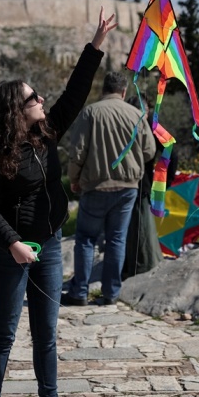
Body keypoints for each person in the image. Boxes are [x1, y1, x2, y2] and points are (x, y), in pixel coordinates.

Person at [0, 7, 117, 397]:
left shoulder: (46, 134)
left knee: (46, 335)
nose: (41, 100)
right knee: (4, 335)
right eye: (33, 98)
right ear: (15, 110)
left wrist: (95, 46)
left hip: (49, 246)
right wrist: (13, 243)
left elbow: (75, 93)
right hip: (10, 252)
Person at [62, 72, 156, 306]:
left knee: (86, 239)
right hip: (127, 188)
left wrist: (74, 179)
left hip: (96, 185)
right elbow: (149, 151)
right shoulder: (136, 114)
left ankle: (79, 292)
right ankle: (111, 292)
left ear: (103, 89)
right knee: (117, 239)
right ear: (124, 91)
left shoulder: (90, 113)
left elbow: (77, 152)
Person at [122, 94, 177, 280]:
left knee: (137, 230)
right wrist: (164, 182)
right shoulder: (151, 125)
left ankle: (137, 269)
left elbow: (171, 150)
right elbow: (171, 150)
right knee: (138, 230)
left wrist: (165, 181)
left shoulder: (148, 126)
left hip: (135, 186)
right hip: (140, 185)